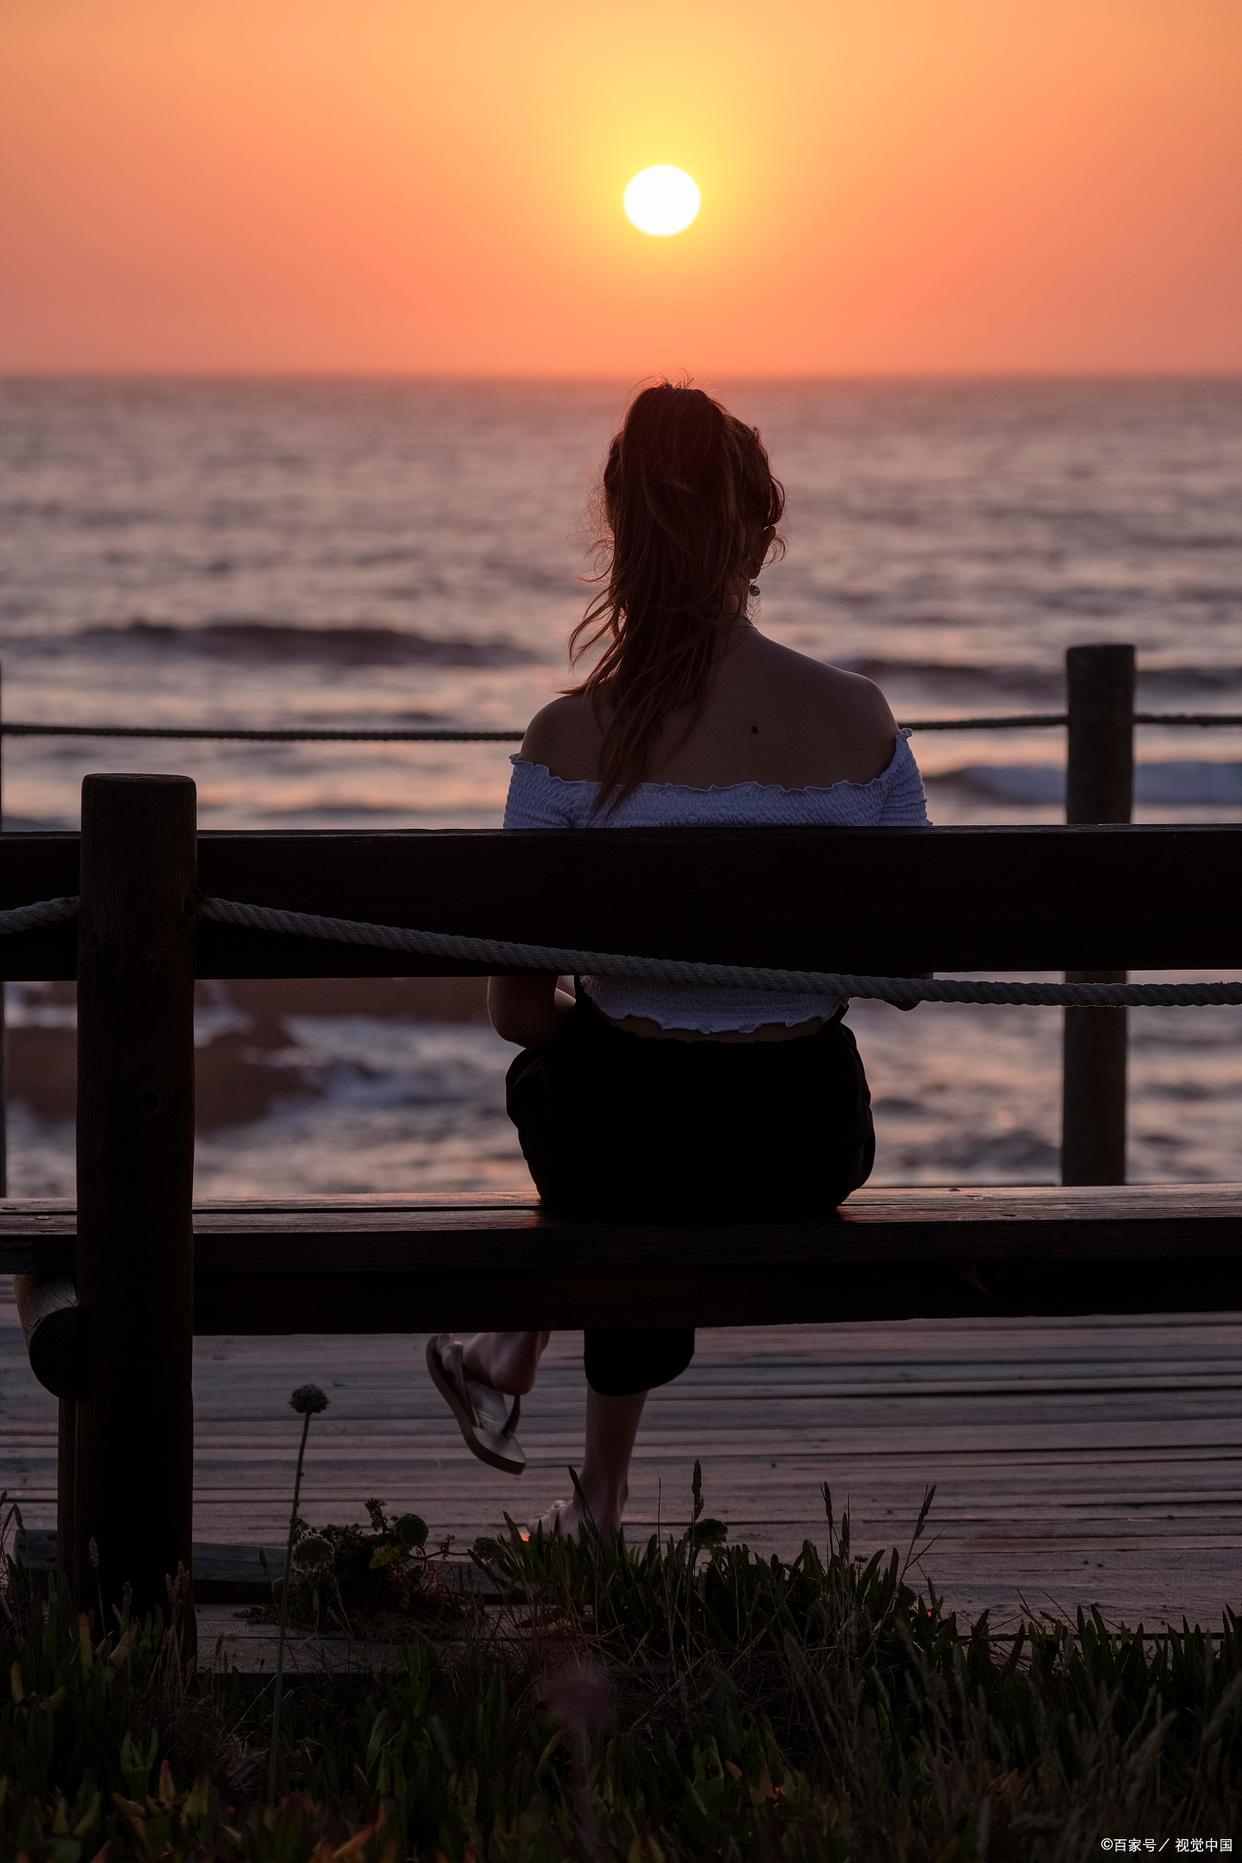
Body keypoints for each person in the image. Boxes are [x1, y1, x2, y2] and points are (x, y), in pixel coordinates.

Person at [426, 379, 932, 1541]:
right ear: (762, 533)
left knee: (591, 1102)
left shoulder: (566, 739)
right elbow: (914, 965)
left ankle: (526, 1368)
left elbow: (516, 1015)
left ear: (618, 534)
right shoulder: (860, 719)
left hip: (621, 1147)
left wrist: (624, 1032)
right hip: (803, 1143)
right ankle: (578, 1465)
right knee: (636, 1126)